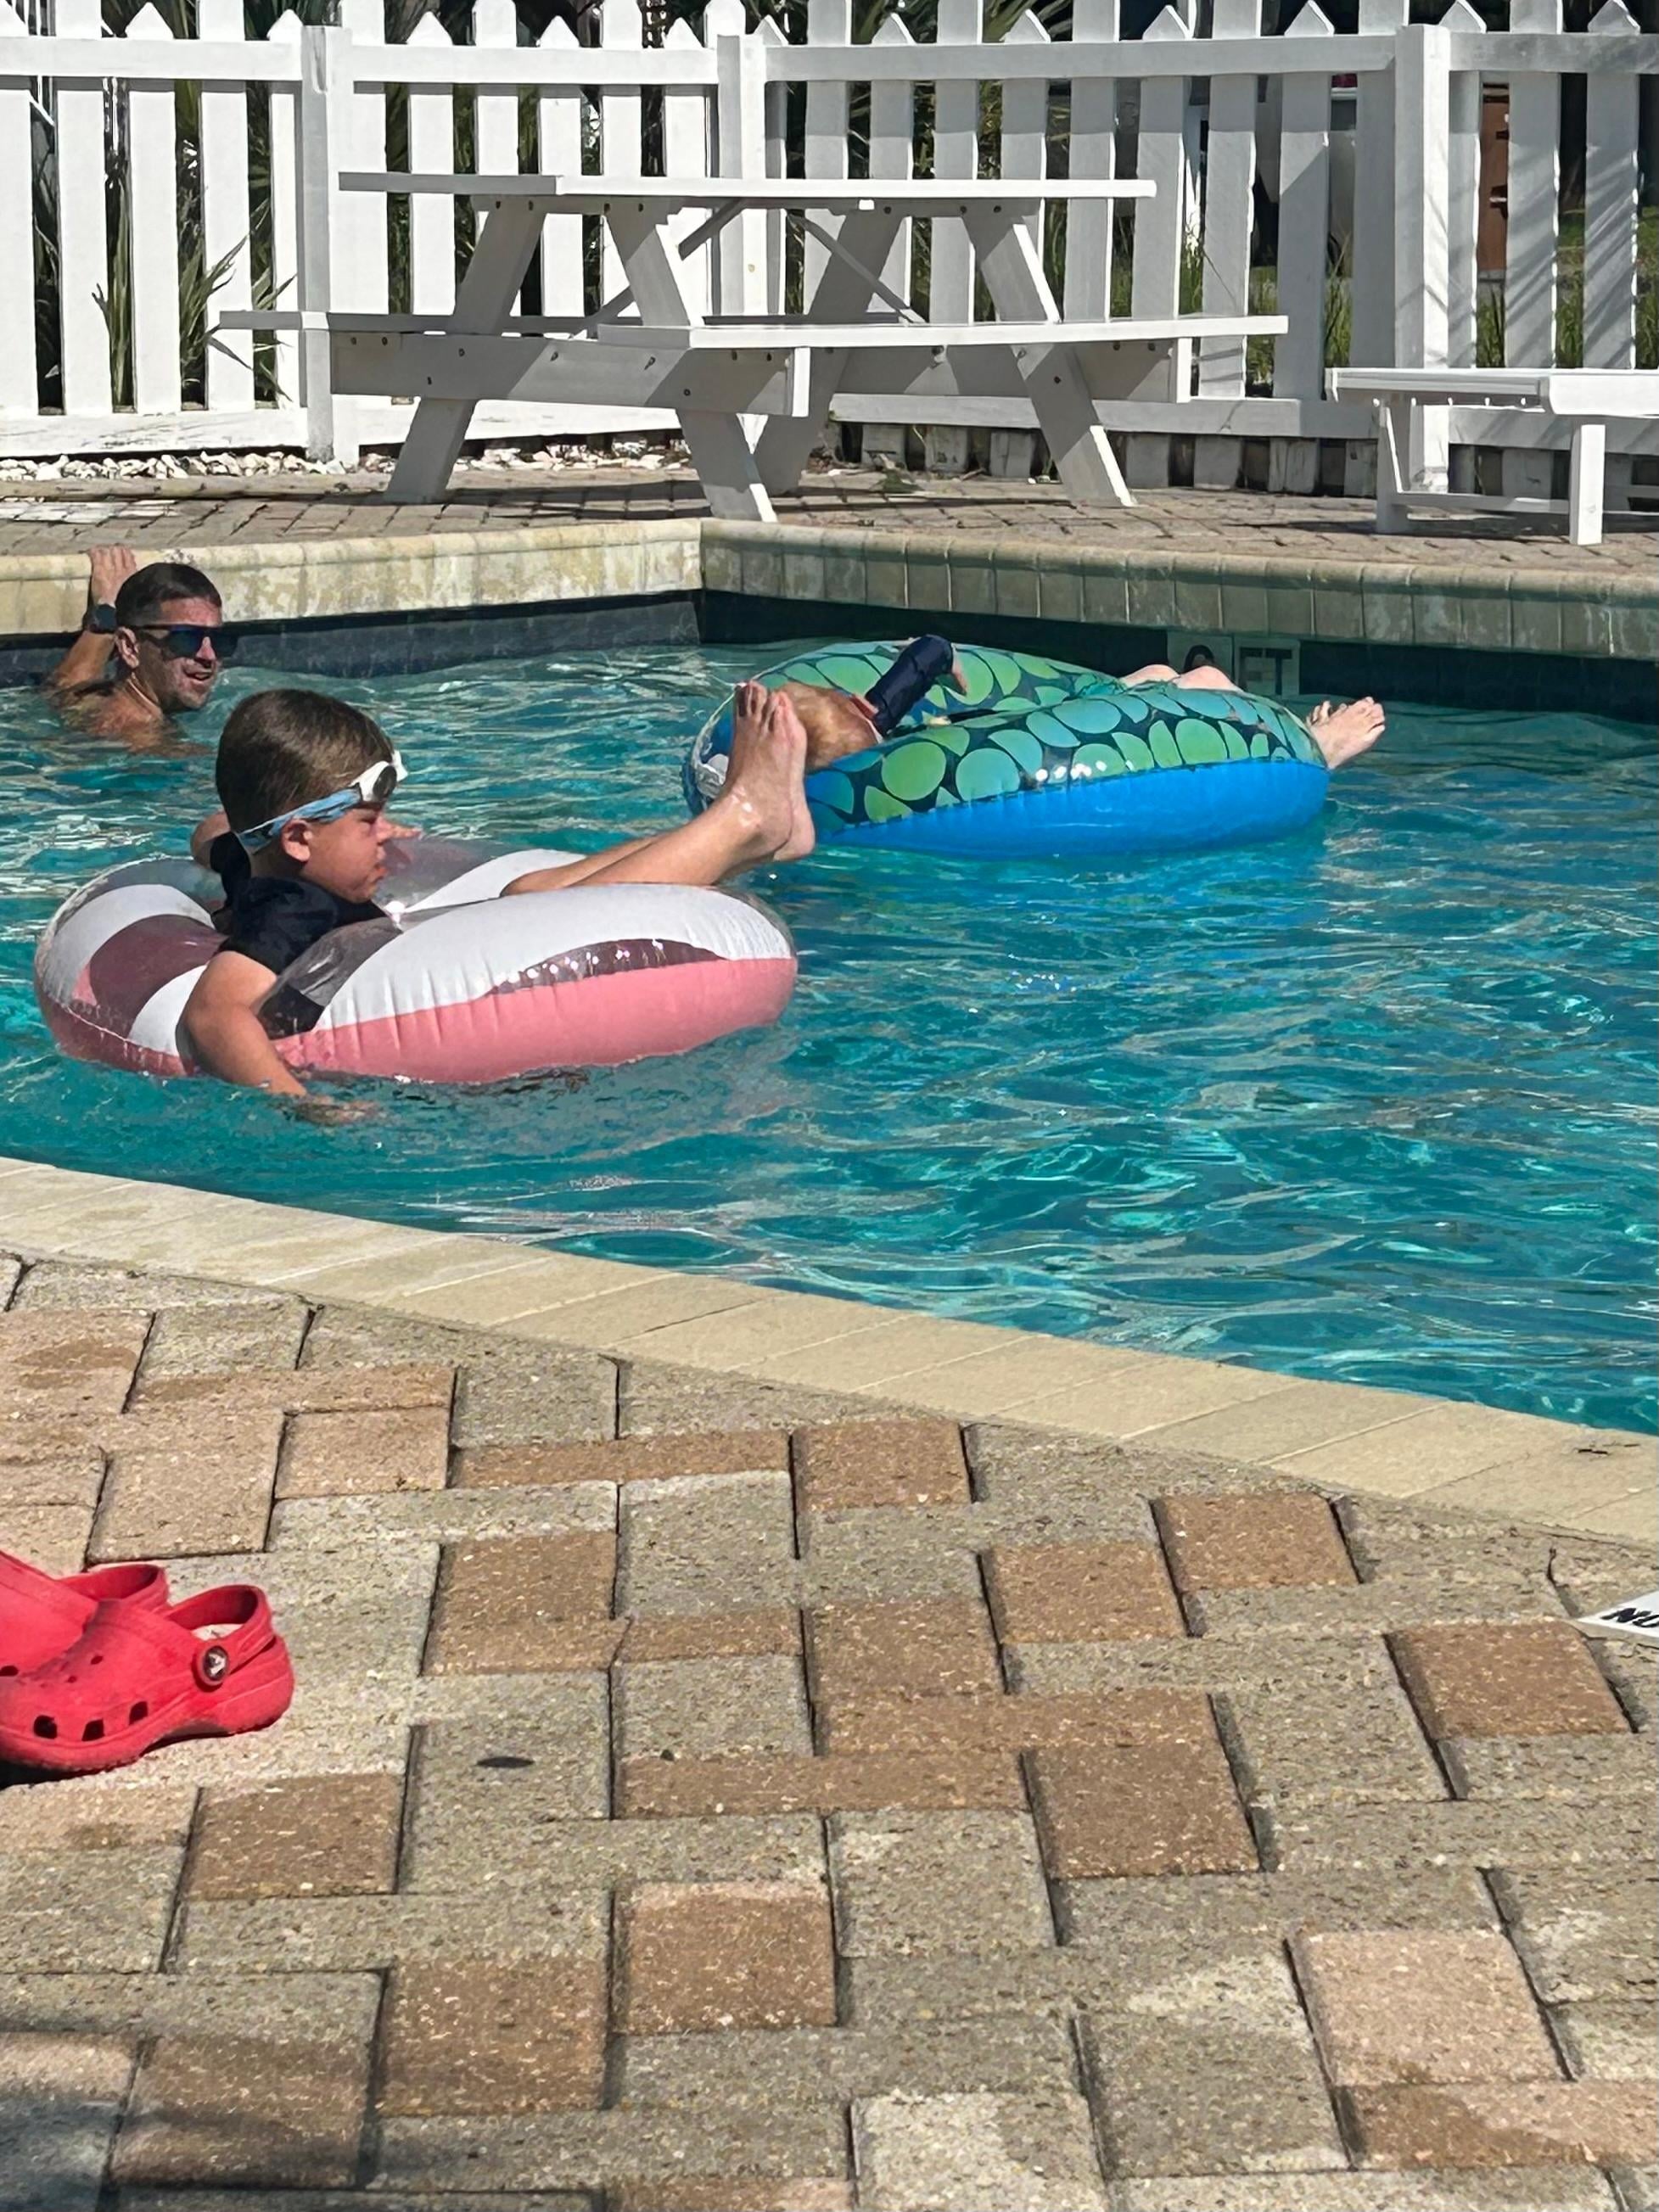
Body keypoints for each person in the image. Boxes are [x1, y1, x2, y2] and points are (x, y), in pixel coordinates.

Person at [184, 682, 812, 1100]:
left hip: (313, 868)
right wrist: (300, 1105)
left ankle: (741, 832)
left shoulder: (254, 862)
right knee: (535, 904)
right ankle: (742, 823)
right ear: (296, 839)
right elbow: (215, 1012)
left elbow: (213, 831)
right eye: (369, 823)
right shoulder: (293, 909)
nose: (383, 838)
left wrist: (341, 830)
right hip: (384, 1031)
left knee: (524, 889)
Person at [777, 632, 1385, 776]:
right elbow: (932, 648)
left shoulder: (878, 741)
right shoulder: (885, 725)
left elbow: (930, 652)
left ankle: (1269, 722)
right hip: (1050, 734)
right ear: (860, 705)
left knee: (1158, 671)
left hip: (1055, 723)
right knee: (1204, 681)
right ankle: (1310, 748)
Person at [45, 547, 233, 743]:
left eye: (219, 640)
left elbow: (64, 684)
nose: (209, 655)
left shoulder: (85, 701)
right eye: (186, 638)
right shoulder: (151, 747)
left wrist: (107, 611)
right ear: (129, 647)